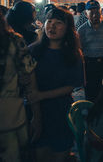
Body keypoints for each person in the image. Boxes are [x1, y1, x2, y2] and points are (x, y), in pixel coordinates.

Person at [29, 8, 84, 162]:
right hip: (36, 111)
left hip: (61, 111)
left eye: (58, 23)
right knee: (40, 154)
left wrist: (42, 95)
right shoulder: (33, 51)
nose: (51, 26)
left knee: (60, 154)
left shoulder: (73, 55)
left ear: (67, 28)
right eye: (49, 21)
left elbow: (72, 85)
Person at [0, 11, 41, 162]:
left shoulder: (14, 41)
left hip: (11, 119)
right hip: (13, 117)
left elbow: (29, 78)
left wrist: (36, 116)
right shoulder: (15, 40)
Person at [78, 0, 103, 101]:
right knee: (91, 91)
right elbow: (79, 50)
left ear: (101, 12)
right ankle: (92, 112)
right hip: (89, 63)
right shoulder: (81, 30)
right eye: (91, 13)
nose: (95, 15)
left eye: (97, 12)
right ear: (86, 14)